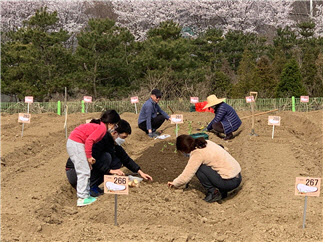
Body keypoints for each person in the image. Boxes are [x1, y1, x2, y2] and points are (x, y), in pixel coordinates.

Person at [66, 119, 153, 197]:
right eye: (123, 137)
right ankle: (90, 187)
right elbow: (93, 160)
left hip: (83, 171)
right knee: (107, 157)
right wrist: (110, 171)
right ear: (114, 133)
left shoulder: (112, 142)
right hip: (74, 172)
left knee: (117, 161)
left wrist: (140, 172)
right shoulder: (100, 139)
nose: (123, 140)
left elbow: (125, 158)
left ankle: (93, 185)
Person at [66, 109, 120, 207]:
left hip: (76, 142)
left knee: (86, 169)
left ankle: (86, 194)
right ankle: (82, 197)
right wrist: (89, 157)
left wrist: (88, 158)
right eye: (115, 125)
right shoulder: (102, 129)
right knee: (84, 171)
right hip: (76, 143)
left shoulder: (99, 125)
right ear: (111, 123)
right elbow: (89, 141)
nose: (114, 128)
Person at [167, 135, 242, 203]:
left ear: (184, 150)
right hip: (237, 176)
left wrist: (175, 183)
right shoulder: (206, 143)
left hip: (229, 183)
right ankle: (222, 191)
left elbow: (186, 177)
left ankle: (214, 192)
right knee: (209, 165)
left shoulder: (197, 154)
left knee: (200, 168)